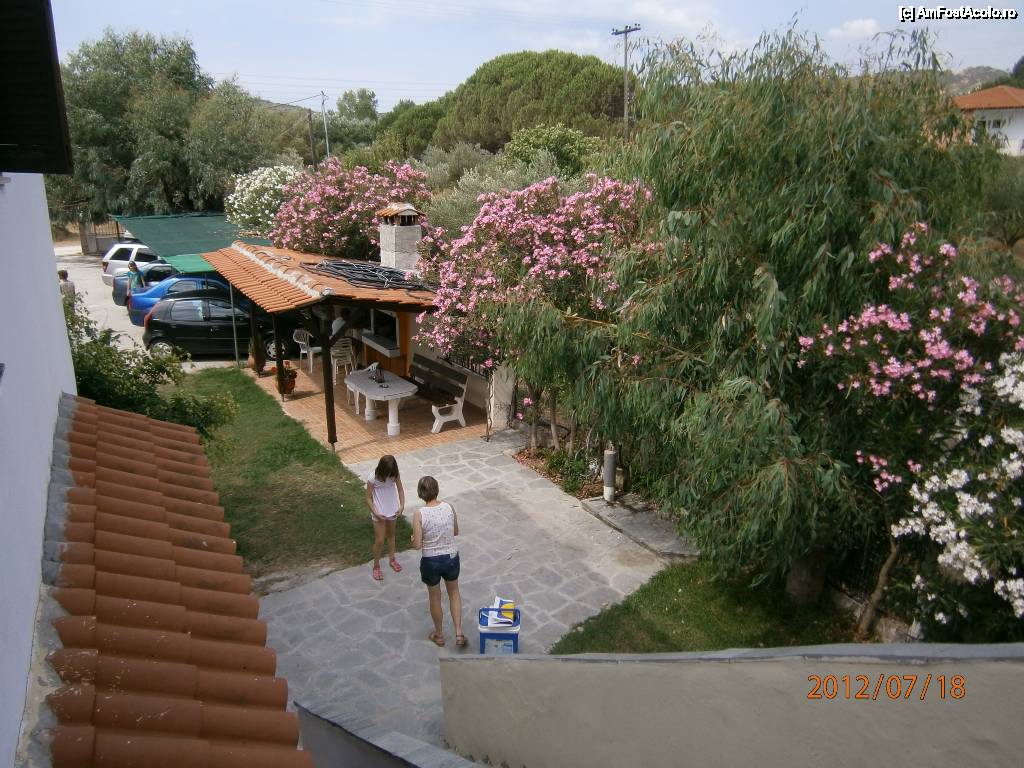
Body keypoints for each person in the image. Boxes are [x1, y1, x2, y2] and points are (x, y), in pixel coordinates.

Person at [411, 475, 465, 647]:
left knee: (435, 598)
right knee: (454, 592)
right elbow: (455, 531)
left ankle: (439, 635)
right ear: (437, 489)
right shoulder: (449, 507)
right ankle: (459, 633)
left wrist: (413, 539)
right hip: (451, 557)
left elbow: (417, 545)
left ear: (420, 493)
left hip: (431, 561)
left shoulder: (419, 514)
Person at [365, 454, 405, 581]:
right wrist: (375, 512)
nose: (389, 475)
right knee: (380, 540)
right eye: (387, 472)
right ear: (382, 469)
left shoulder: (395, 475)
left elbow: (400, 490)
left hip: (392, 511)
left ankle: (392, 559)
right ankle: (376, 566)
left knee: (391, 536)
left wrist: (401, 506)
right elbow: (368, 498)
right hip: (379, 513)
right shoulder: (373, 478)